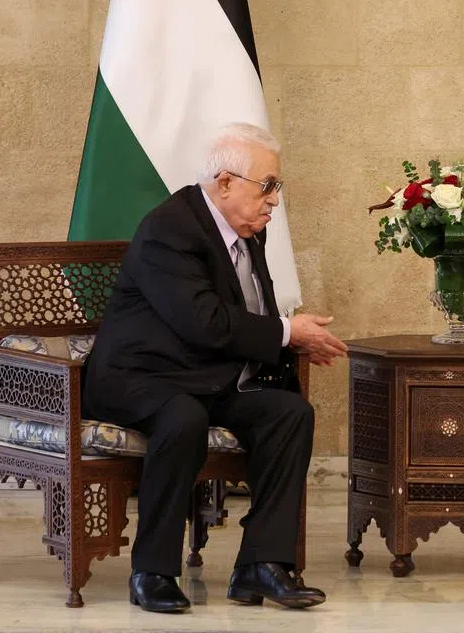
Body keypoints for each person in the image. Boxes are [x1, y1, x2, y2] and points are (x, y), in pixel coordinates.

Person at [83, 122, 348, 613]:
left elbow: (250, 310)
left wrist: (290, 343)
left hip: (204, 376)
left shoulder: (248, 229)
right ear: (226, 182)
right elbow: (202, 322)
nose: (274, 200)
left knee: (290, 414)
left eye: (278, 187)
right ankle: (154, 571)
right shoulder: (170, 228)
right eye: (267, 187)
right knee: (183, 417)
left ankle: (261, 565)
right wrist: (289, 333)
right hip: (140, 377)